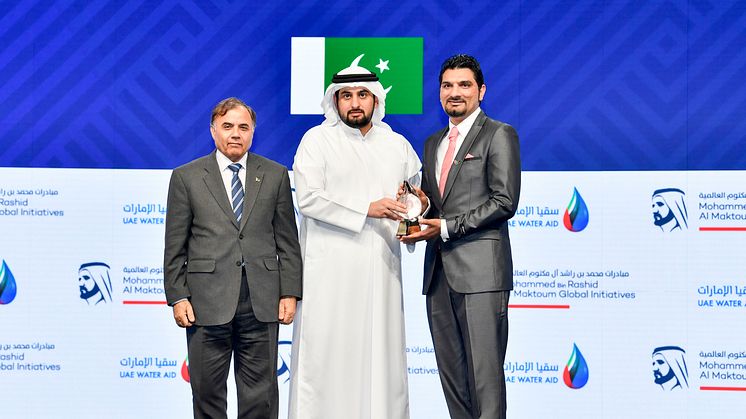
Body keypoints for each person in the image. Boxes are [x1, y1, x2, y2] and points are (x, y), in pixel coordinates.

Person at [289, 56, 421, 419]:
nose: (355, 102)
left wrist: (413, 211)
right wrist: (368, 208)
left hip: (381, 270)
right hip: (329, 274)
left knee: (382, 358)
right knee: (326, 357)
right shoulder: (316, 141)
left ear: (376, 100)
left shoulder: (398, 145)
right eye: (346, 95)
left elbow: (412, 202)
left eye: (363, 94)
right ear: (335, 101)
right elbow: (309, 198)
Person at [163, 97, 302, 419]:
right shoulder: (186, 177)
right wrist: (178, 295)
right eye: (227, 127)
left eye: (243, 127)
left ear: (253, 132)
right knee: (207, 391)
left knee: (262, 394)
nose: (235, 134)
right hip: (204, 301)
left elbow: (288, 242)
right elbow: (175, 245)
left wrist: (290, 292)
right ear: (213, 131)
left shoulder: (276, 174)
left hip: (262, 300)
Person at [401, 54, 521, 419]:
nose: (455, 93)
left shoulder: (499, 134)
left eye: (464, 85)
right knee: (453, 382)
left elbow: (505, 200)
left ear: (481, 91)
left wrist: (448, 227)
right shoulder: (433, 142)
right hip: (438, 275)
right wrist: (419, 210)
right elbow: (438, 206)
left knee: (485, 381)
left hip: (482, 274)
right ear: (439, 92)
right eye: (447, 85)